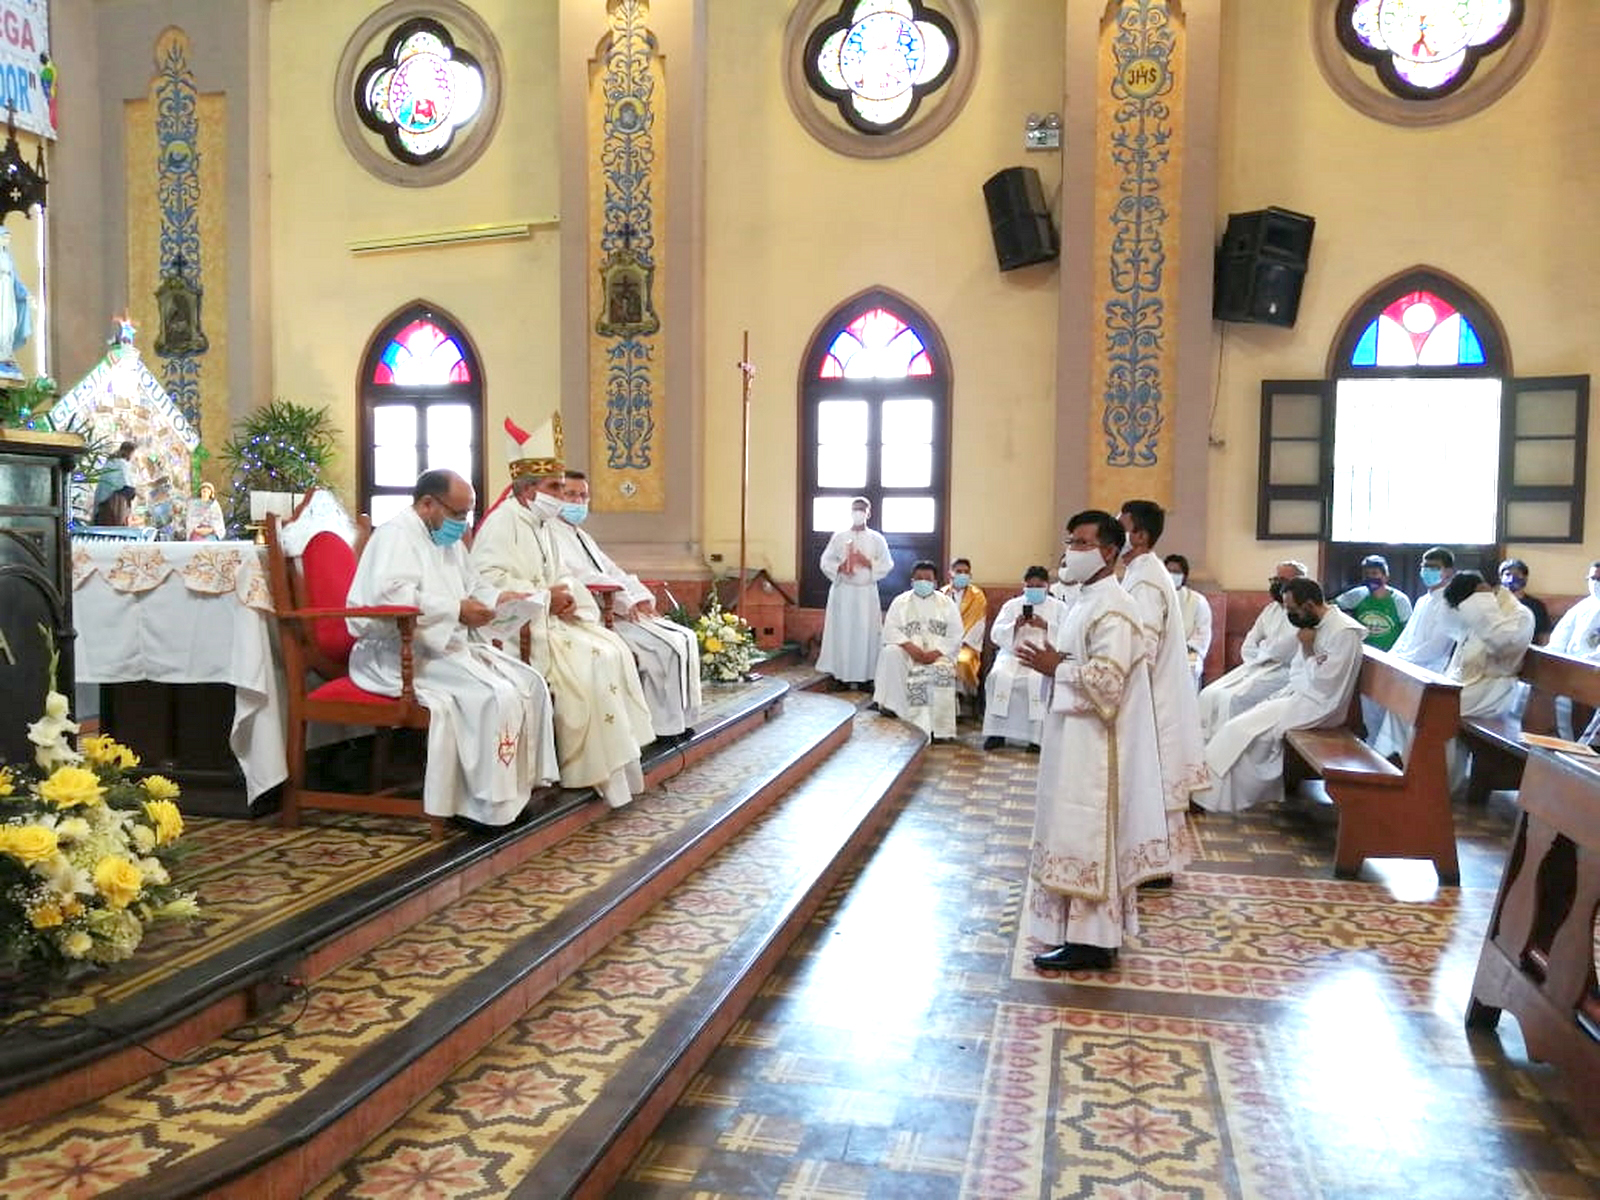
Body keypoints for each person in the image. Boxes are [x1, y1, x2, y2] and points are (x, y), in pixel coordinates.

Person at [346, 469, 558, 826]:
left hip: (444, 646)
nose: (463, 523)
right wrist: (456, 609)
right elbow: (389, 598)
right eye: (458, 514)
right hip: (396, 654)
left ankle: (522, 791)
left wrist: (503, 598)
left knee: (530, 683)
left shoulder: (445, 540)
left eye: (467, 514)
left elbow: (473, 585)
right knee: (496, 694)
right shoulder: (396, 536)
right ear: (427, 503)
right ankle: (482, 806)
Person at [470, 418, 656, 809]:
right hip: (517, 627)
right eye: (554, 487)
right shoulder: (502, 524)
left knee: (613, 648)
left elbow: (562, 579)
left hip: (549, 619)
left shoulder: (540, 523)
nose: (560, 496)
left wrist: (567, 598)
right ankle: (585, 769)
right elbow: (485, 586)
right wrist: (544, 598)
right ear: (527, 489)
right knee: (591, 664)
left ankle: (614, 767)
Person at [1018, 510, 1172, 973]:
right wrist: (1058, 659)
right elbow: (1083, 661)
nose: (1071, 551)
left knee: (1089, 836)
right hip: (1075, 741)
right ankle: (1079, 935)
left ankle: (1094, 942)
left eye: (1082, 543)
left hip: (1098, 752)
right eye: (1069, 541)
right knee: (1070, 833)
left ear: (1109, 550)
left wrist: (1056, 667)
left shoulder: (1116, 608)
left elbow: (1108, 683)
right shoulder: (1087, 600)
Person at [551, 470, 702, 741]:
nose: (578, 501)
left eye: (583, 495)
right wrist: (623, 600)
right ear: (557, 496)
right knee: (662, 648)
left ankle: (681, 719)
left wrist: (640, 596)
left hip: (620, 608)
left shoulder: (581, 536)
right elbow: (581, 577)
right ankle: (662, 726)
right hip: (597, 614)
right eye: (570, 494)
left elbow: (613, 570)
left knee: (685, 637)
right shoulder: (551, 533)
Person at [1199, 578, 1367, 815]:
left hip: (1323, 706)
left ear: (1308, 605)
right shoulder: (1312, 624)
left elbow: (1327, 685)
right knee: (1238, 726)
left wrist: (1308, 651)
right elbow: (1298, 673)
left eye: (1291, 609)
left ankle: (1224, 797)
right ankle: (1211, 793)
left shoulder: (1344, 632)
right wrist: (1307, 661)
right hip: (1302, 695)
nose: (1289, 615)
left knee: (1244, 731)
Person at [1119, 501, 1207, 824]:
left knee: (1149, 780)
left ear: (1139, 535)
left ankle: (1152, 863)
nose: (1115, 533)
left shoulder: (1145, 580)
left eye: (1121, 526)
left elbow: (1143, 649)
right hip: (1150, 693)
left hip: (1150, 695)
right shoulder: (1141, 571)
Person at [1441, 570, 1535, 788]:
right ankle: (1433, 780)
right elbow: (1454, 633)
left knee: (1439, 709)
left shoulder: (1520, 614)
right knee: (1429, 704)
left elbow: (1501, 642)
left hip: (1494, 691)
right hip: (1468, 685)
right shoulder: (1473, 606)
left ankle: (1441, 785)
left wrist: (1483, 604)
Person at [1198, 561, 1308, 742]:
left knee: (1232, 699)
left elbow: (1284, 650)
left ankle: (1226, 750)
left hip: (1283, 672)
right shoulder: (1270, 609)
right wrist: (1262, 654)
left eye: (1283, 580)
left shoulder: (1301, 612)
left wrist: (1264, 650)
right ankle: (1205, 750)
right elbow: (1250, 642)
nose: (1276, 584)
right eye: (1275, 579)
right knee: (1209, 694)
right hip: (1256, 666)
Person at [1370, 547, 1458, 759]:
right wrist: (1389, 657)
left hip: (1431, 672)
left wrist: (1402, 661)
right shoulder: (1422, 600)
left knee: (1409, 717)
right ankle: (1391, 757)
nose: (1427, 571)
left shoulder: (1450, 603)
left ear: (1449, 572)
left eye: (1434, 567)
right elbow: (1406, 637)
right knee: (1392, 711)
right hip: (1408, 668)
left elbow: (1436, 646)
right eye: (1424, 567)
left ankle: (1407, 760)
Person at [872, 560, 964, 742]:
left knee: (940, 671)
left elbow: (955, 634)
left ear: (935, 582)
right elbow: (890, 629)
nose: (923, 582)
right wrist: (911, 648)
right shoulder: (900, 601)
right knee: (890, 653)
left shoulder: (947, 604)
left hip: (937, 655)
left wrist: (934, 654)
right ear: (912, 581)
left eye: (927, 579)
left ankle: (939, 729)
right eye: (919, 578)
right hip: (909, 653)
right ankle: (895, 707)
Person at [982, 565, 1069, 751]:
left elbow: (1068, 636)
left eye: (1039, 586)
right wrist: (1014, 626)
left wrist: (1046, 625)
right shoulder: (1012, 605)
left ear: (1047, 586)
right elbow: (996, 634)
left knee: (1037, 682)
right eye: (1030, 586)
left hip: (1042, 657)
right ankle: (997, 734)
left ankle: (1035, 738)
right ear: (1024, 585)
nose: (1034, 590)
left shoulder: (1059, 608)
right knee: (998, 677)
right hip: (1013, 654)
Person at [816, 497, 893, 689]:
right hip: (843, 592)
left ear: (869, 512)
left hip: (866, 594)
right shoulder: (839, 536)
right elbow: (825, 561)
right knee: (842, 633)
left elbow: (887, 564)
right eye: (855, 509)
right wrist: (840, 567)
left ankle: (867, 677)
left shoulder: (877, 538)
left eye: (862, 509)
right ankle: (840, 676)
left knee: (867, 634)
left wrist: (867, 562)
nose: (858, 512)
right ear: (850, 512)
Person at [1545, 561, 1600, 738]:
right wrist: (1552, 659)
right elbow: (1560, 636)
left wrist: (1582, 666)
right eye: (1593, 578)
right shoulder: (1583, 606)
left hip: (1591, 674)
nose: (1596, 583)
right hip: (1570, 672)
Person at [1333, 554, 1412, 652]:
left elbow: (1409, 631)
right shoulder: (1358, 594)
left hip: (1390, 655)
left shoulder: (1400, 600)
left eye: (1374, 573)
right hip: (1363, 653)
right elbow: (1331, 607)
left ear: (1385, 577)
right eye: (1367, 574)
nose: (1370, 577)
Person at [940, 557, 987, 710]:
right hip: (943, 644)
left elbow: (979, 624)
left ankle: (960, 700)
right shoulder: (941, 594)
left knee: (962, 661)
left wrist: (962, 643)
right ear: (950, 574)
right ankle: (943, 703)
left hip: (967, 645)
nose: (962, 575)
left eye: (966, 572)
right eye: (958, 571)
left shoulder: (977, 596)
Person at [1163, 552, 1212, 687]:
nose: (1172, 575)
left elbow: (1202, 633)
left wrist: (1182, 649)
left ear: (1184, 575)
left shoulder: (1198, 601)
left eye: (1176, 572)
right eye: (1168, 571)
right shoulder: (1156, 598)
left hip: (1187, 653)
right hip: (1161, 653)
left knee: (1187, 670)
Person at [1499, 558, 1552, 645]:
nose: (1512, 578)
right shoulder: (1492, 604)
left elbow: (1544, 636)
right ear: (1501, 578)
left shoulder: (1537, 606)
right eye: (1507, 574)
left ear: (1525, 578)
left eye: (1517, 574)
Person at [93, 440, 138, 526]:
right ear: (130, 452)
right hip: (114, 504)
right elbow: (127, 487)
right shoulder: (121, 464)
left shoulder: (111, 462)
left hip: (104, 502)